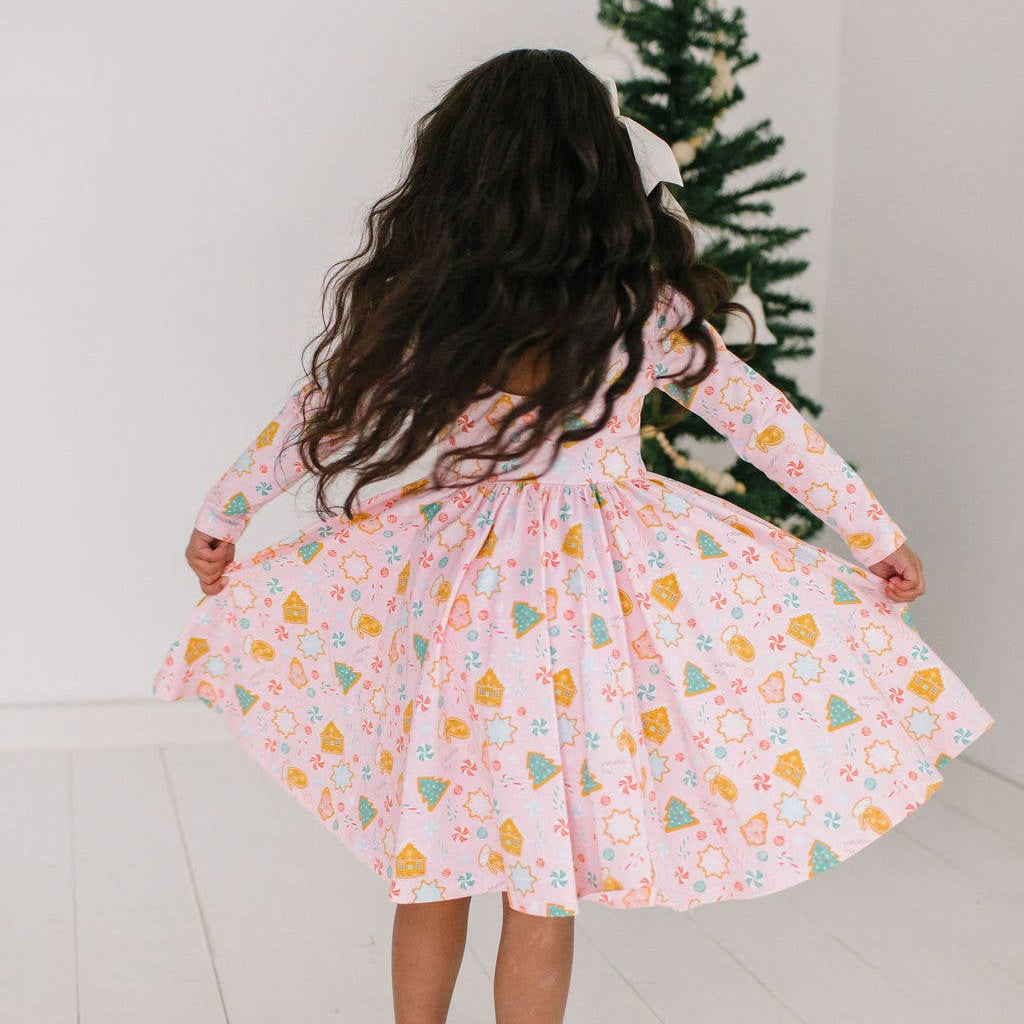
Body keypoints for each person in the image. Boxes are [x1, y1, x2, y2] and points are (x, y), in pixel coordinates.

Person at [152, 48, 995, 1024]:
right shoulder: (638, 310)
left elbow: (315, 421)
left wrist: (223, 516)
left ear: (460, 174)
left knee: (435, 851)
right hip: (593, 598)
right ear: (598, 170)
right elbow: (762, 421)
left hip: (455, 587)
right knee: (534, 869)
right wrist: (869, 530)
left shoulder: (437, 311)